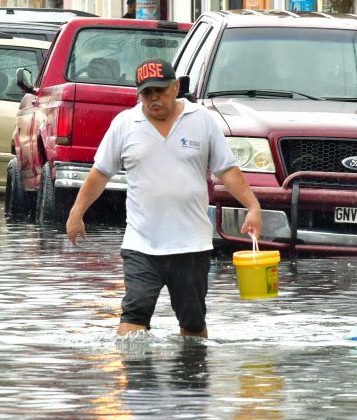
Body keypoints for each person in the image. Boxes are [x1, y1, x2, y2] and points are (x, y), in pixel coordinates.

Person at [65, 58, 263, 338]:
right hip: (141, 244)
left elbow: (227, 170)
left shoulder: (201, 120)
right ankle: (135, 376)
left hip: (191, 244)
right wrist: (77, 213)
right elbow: (100, 173)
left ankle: (191, 377)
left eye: (160, 90)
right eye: (146, 93)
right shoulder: (125, 124)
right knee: (134, 315)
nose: (154, 98)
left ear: (175, 86)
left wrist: (252, 206)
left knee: (193, 325)